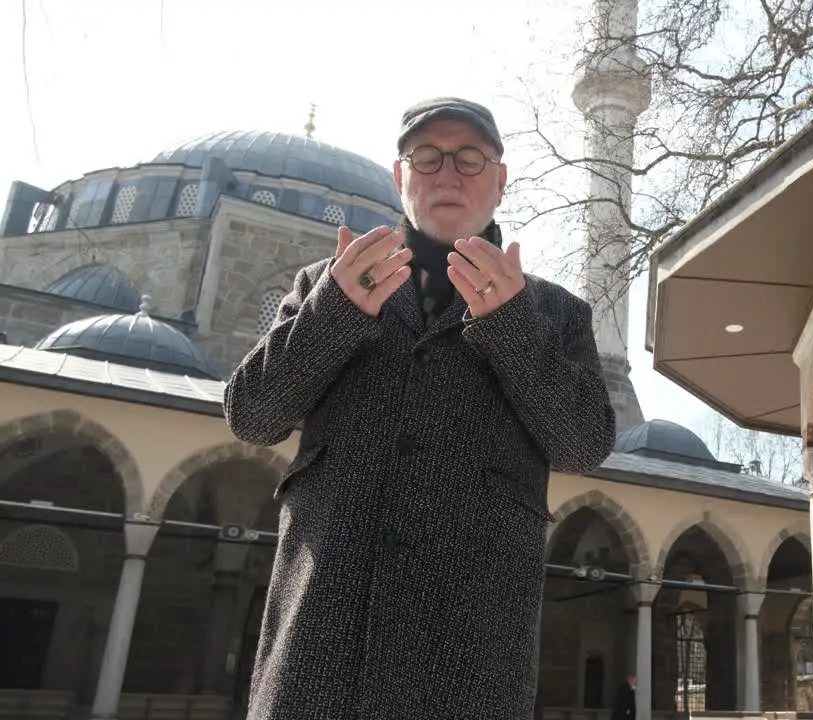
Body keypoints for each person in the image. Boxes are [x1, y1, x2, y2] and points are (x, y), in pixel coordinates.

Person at [223, 97, 617, 719]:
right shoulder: (329, 285)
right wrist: (336, 314)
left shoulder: (554, 312)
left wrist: (511, 326)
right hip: (323, 643)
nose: (449, 173)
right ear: (401, 176)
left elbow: (583, 445)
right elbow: (254, 415)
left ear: (500, 179)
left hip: (470, 657)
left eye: (470, 158)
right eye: (427, 157)